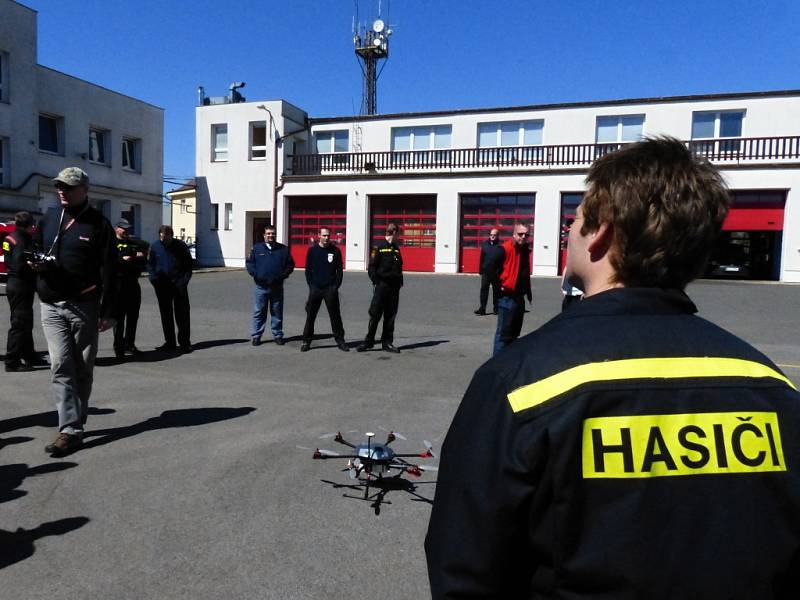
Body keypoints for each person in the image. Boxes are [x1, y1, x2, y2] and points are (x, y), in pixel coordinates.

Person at [425, 137, 800, 599]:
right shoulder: (772, 386)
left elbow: (464, 567)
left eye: (575, 220)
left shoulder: (520, 380)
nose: (569, 232)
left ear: (601, 232)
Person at [32, 167, 117, 456]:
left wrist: (109, 310)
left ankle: (76, 422)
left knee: (82, 368)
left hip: (84, 306)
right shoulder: (49, 219)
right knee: (60, 365)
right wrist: (35, 265)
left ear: (84, 189)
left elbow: (111, 270)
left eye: (68, 187)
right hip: (51, 304)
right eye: (59, 186)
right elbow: (33, 249)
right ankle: (69, 428)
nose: (62, 191)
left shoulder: (99, 225)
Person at [4, 211, 43, 372]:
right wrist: (33, 266)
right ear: (28, 226)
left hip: (14, 283)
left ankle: (29, 355)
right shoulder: (22, 240)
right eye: (32, 225)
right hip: (21, 284)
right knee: (19, 324)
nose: (34, 227)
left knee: (26, 322)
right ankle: (12, 361)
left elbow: (8, 261)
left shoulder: (10, 237)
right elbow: (19, 264)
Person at [357, 223, 403, 353]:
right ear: (393, 233)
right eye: (398, 234)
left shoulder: (396, 248)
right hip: (382, 286)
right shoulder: (379, 247)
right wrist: (376, 281)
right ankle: (368, 341)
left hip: (394, 288)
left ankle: (387, 343)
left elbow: (399, 267)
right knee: (375, 314)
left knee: (390, 316)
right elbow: (372, 267)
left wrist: (399, 282)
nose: (399, 236)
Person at [301, 227, 348, 352]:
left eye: (328, 235)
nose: (326, 238)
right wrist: (311, 286)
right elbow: (308, 270)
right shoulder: (312, 251)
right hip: (316, 289)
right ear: (319, 236)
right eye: (324, 235)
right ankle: (306, 341)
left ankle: (340, 340)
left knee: (335, 316)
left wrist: (335, 287)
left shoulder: (336, 251)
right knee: (311, 316)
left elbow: (339, 272)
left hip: (330, 290)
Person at [245, 225, 294, 346]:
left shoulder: (283, 249)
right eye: (268, 234)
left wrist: (282, 276)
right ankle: (256, 336)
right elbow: (250, 264)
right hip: (261, 287)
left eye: (272, 234)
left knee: (277, 312)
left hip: (277, 287)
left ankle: (277, 335)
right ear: (264, 235)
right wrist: (257, 275)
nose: (270, 236)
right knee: (259, 312)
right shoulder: (256, 249)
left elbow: (290, 265)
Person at [147, 225, 192, 353]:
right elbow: (150, 265)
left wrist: (184, 281)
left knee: (182, 315)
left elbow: (188, 265)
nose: (163, 239)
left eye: (166, 237)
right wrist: (154, 280)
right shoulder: (155, 246)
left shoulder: (181, 246)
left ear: (171, 235)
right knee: (166, 315)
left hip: (179, 285)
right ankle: (170, 342)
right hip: (162, 286)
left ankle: (184, 343)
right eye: (161, 237)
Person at [492, 223, 532, 355]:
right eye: (520, 234)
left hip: (519, 297)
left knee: (514, 333)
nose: (523, 237)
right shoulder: (504, 249)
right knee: (503, 334)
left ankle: (507, 362)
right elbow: (488, 269)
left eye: (526, 235)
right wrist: (500, 286)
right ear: (514, 234)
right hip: (507, 297)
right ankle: (496, 364)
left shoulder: (524, 250)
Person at [113, 219, 147, 359]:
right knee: (119, 319)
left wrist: (134, 255)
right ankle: (119, 347)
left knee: (133, 317)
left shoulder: (133, 242)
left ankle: (130, 344)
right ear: (117, 228)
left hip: (133, 284)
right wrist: (122, 259)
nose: (126, 231)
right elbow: (109, 261)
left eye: (128, 229)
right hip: (118, 285)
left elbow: (145, 247)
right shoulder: (111, 243)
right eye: (123, 229)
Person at [474, 227, 502, 315]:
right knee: (484, 290)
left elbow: (503, 260)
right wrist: (480, 270)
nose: (492, 236)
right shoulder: (485, 244)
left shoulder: (501, 245)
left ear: (498, 236)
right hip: (486, 272)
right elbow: (482, 258)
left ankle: (496, 309)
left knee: (496, 291)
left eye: (494, 235)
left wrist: (501, 271)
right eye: (491, 234)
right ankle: (482, 308)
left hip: (496, 273)